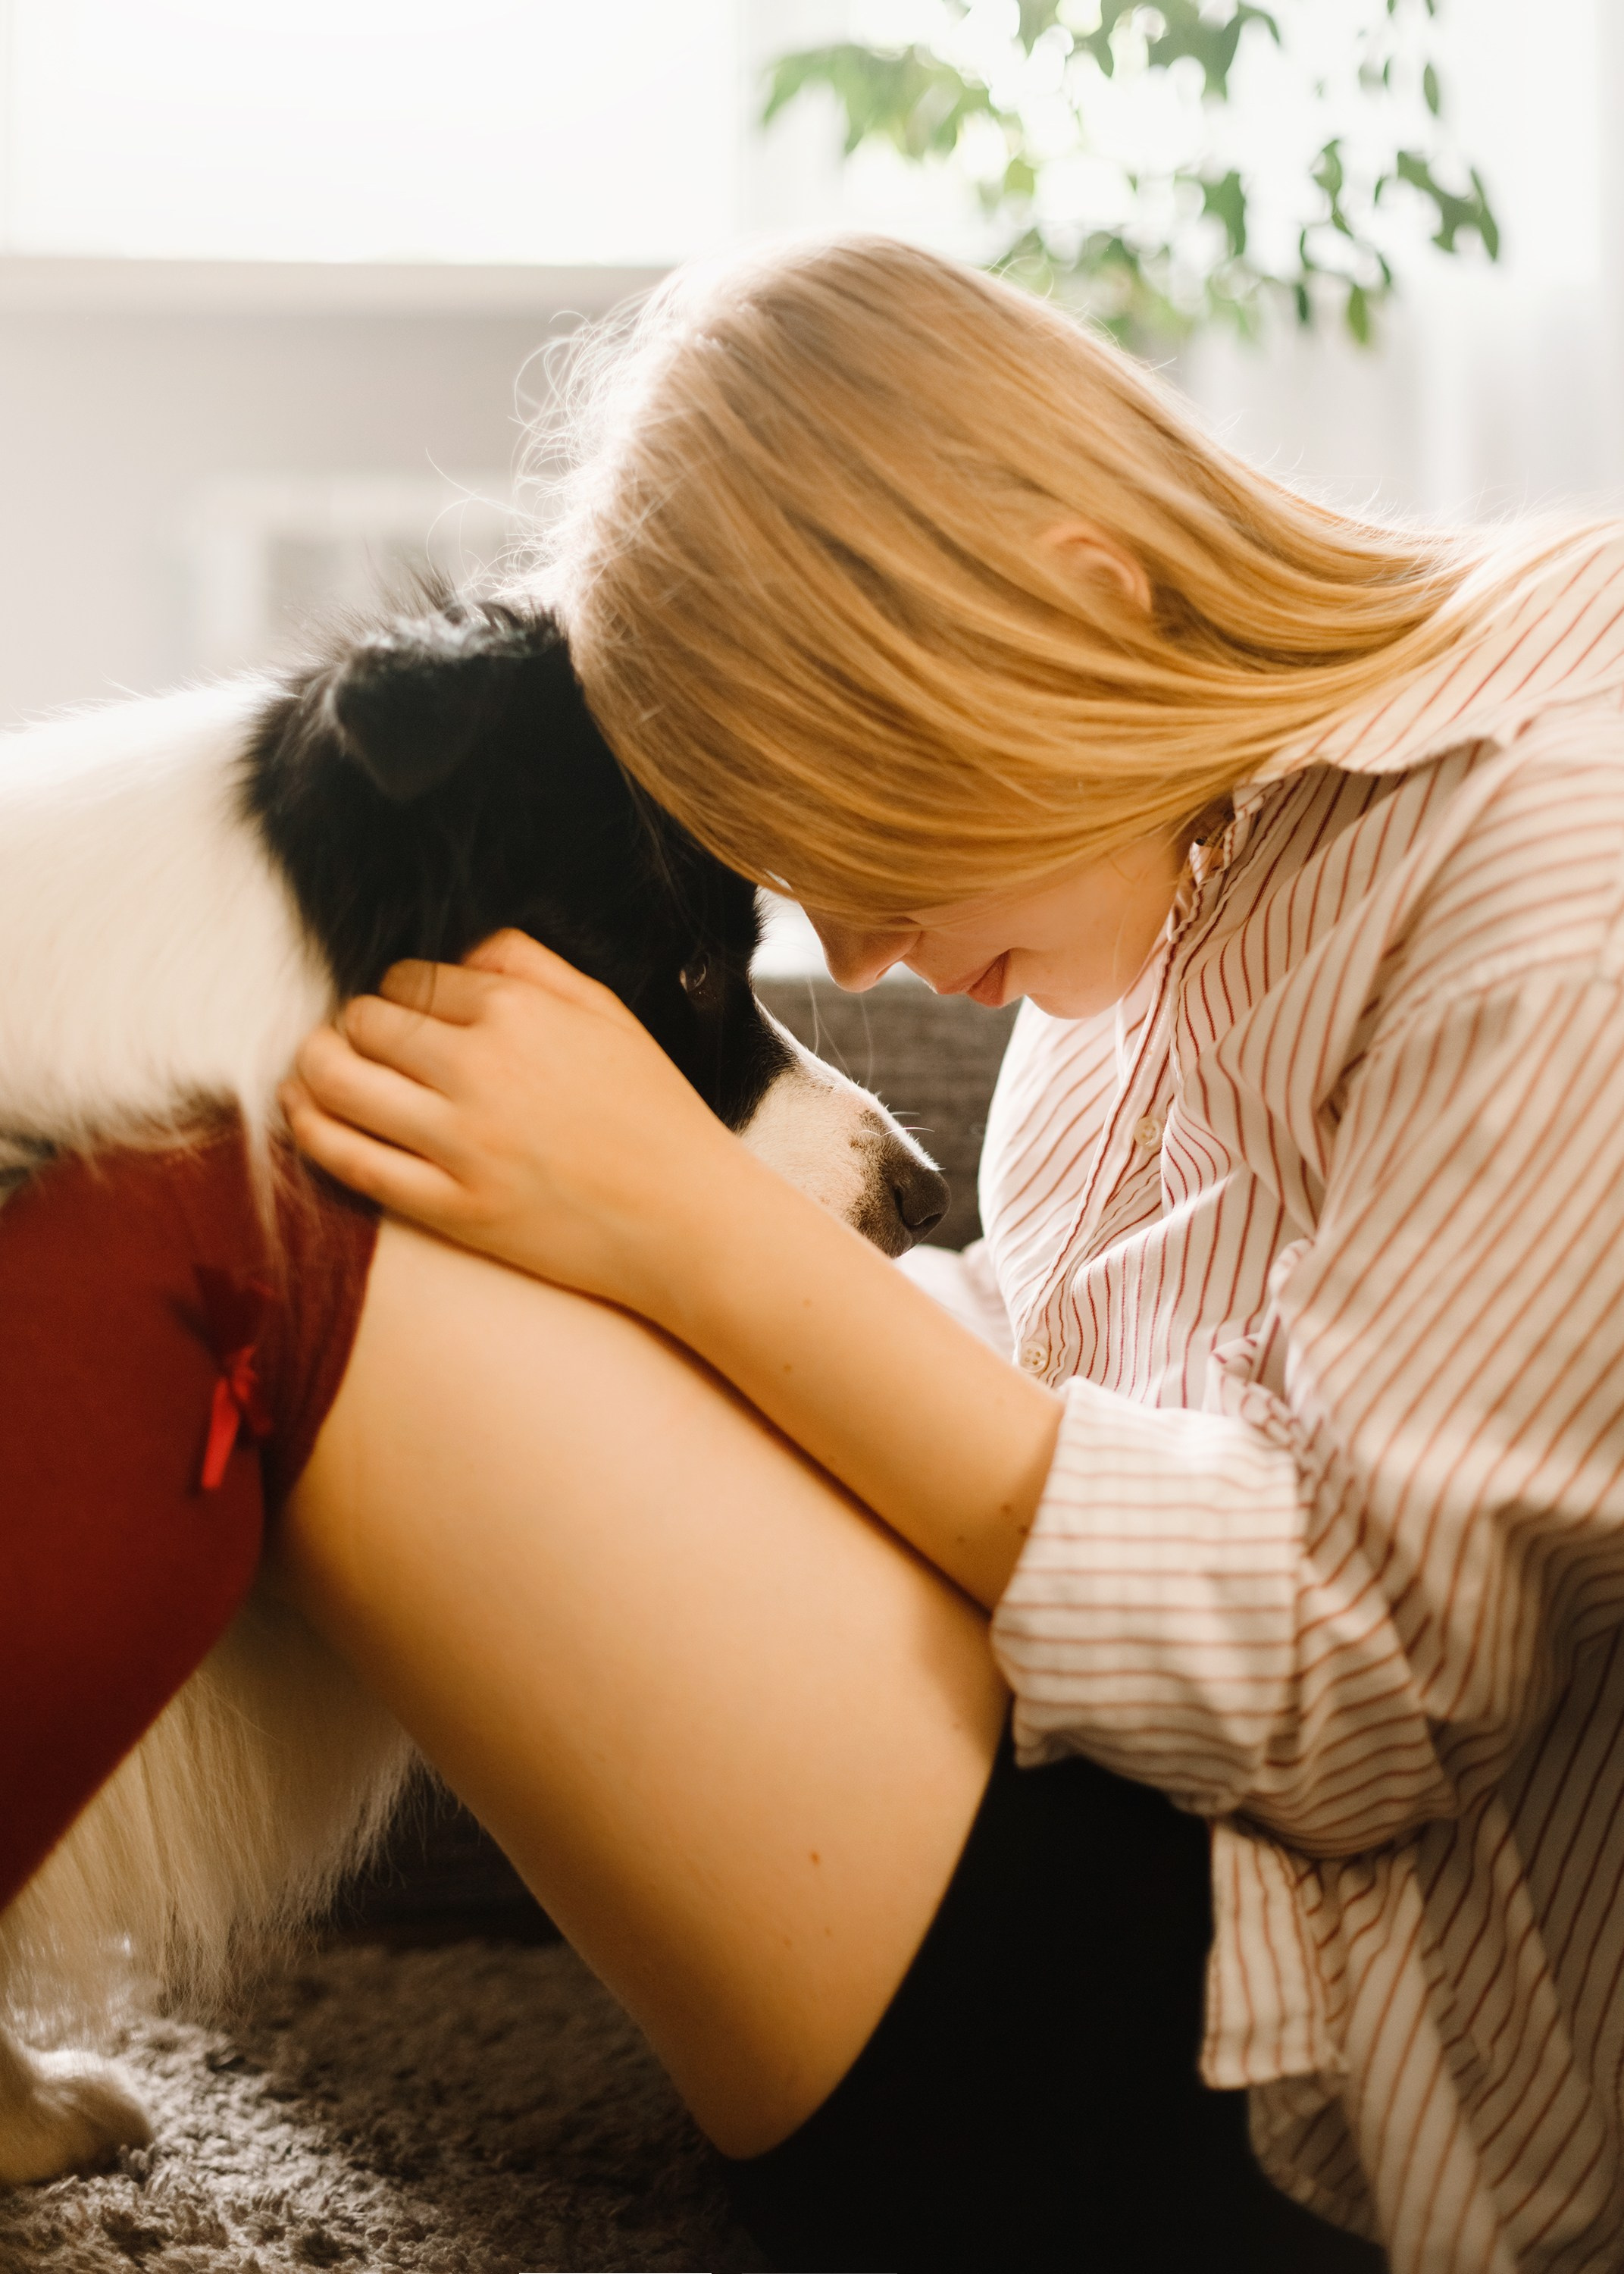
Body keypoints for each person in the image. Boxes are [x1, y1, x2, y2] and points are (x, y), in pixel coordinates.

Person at [9, 235, 1624, 2271]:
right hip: (1108, 1820)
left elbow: (1359, 1689)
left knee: (294, 1226)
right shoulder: (1210, 841)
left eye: (859, 826)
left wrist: (695, 1240)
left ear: (1079, 596)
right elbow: (1045, 1395)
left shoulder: (1566, 864)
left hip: (1297, 2055)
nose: (851, 952)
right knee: (416, 1158)